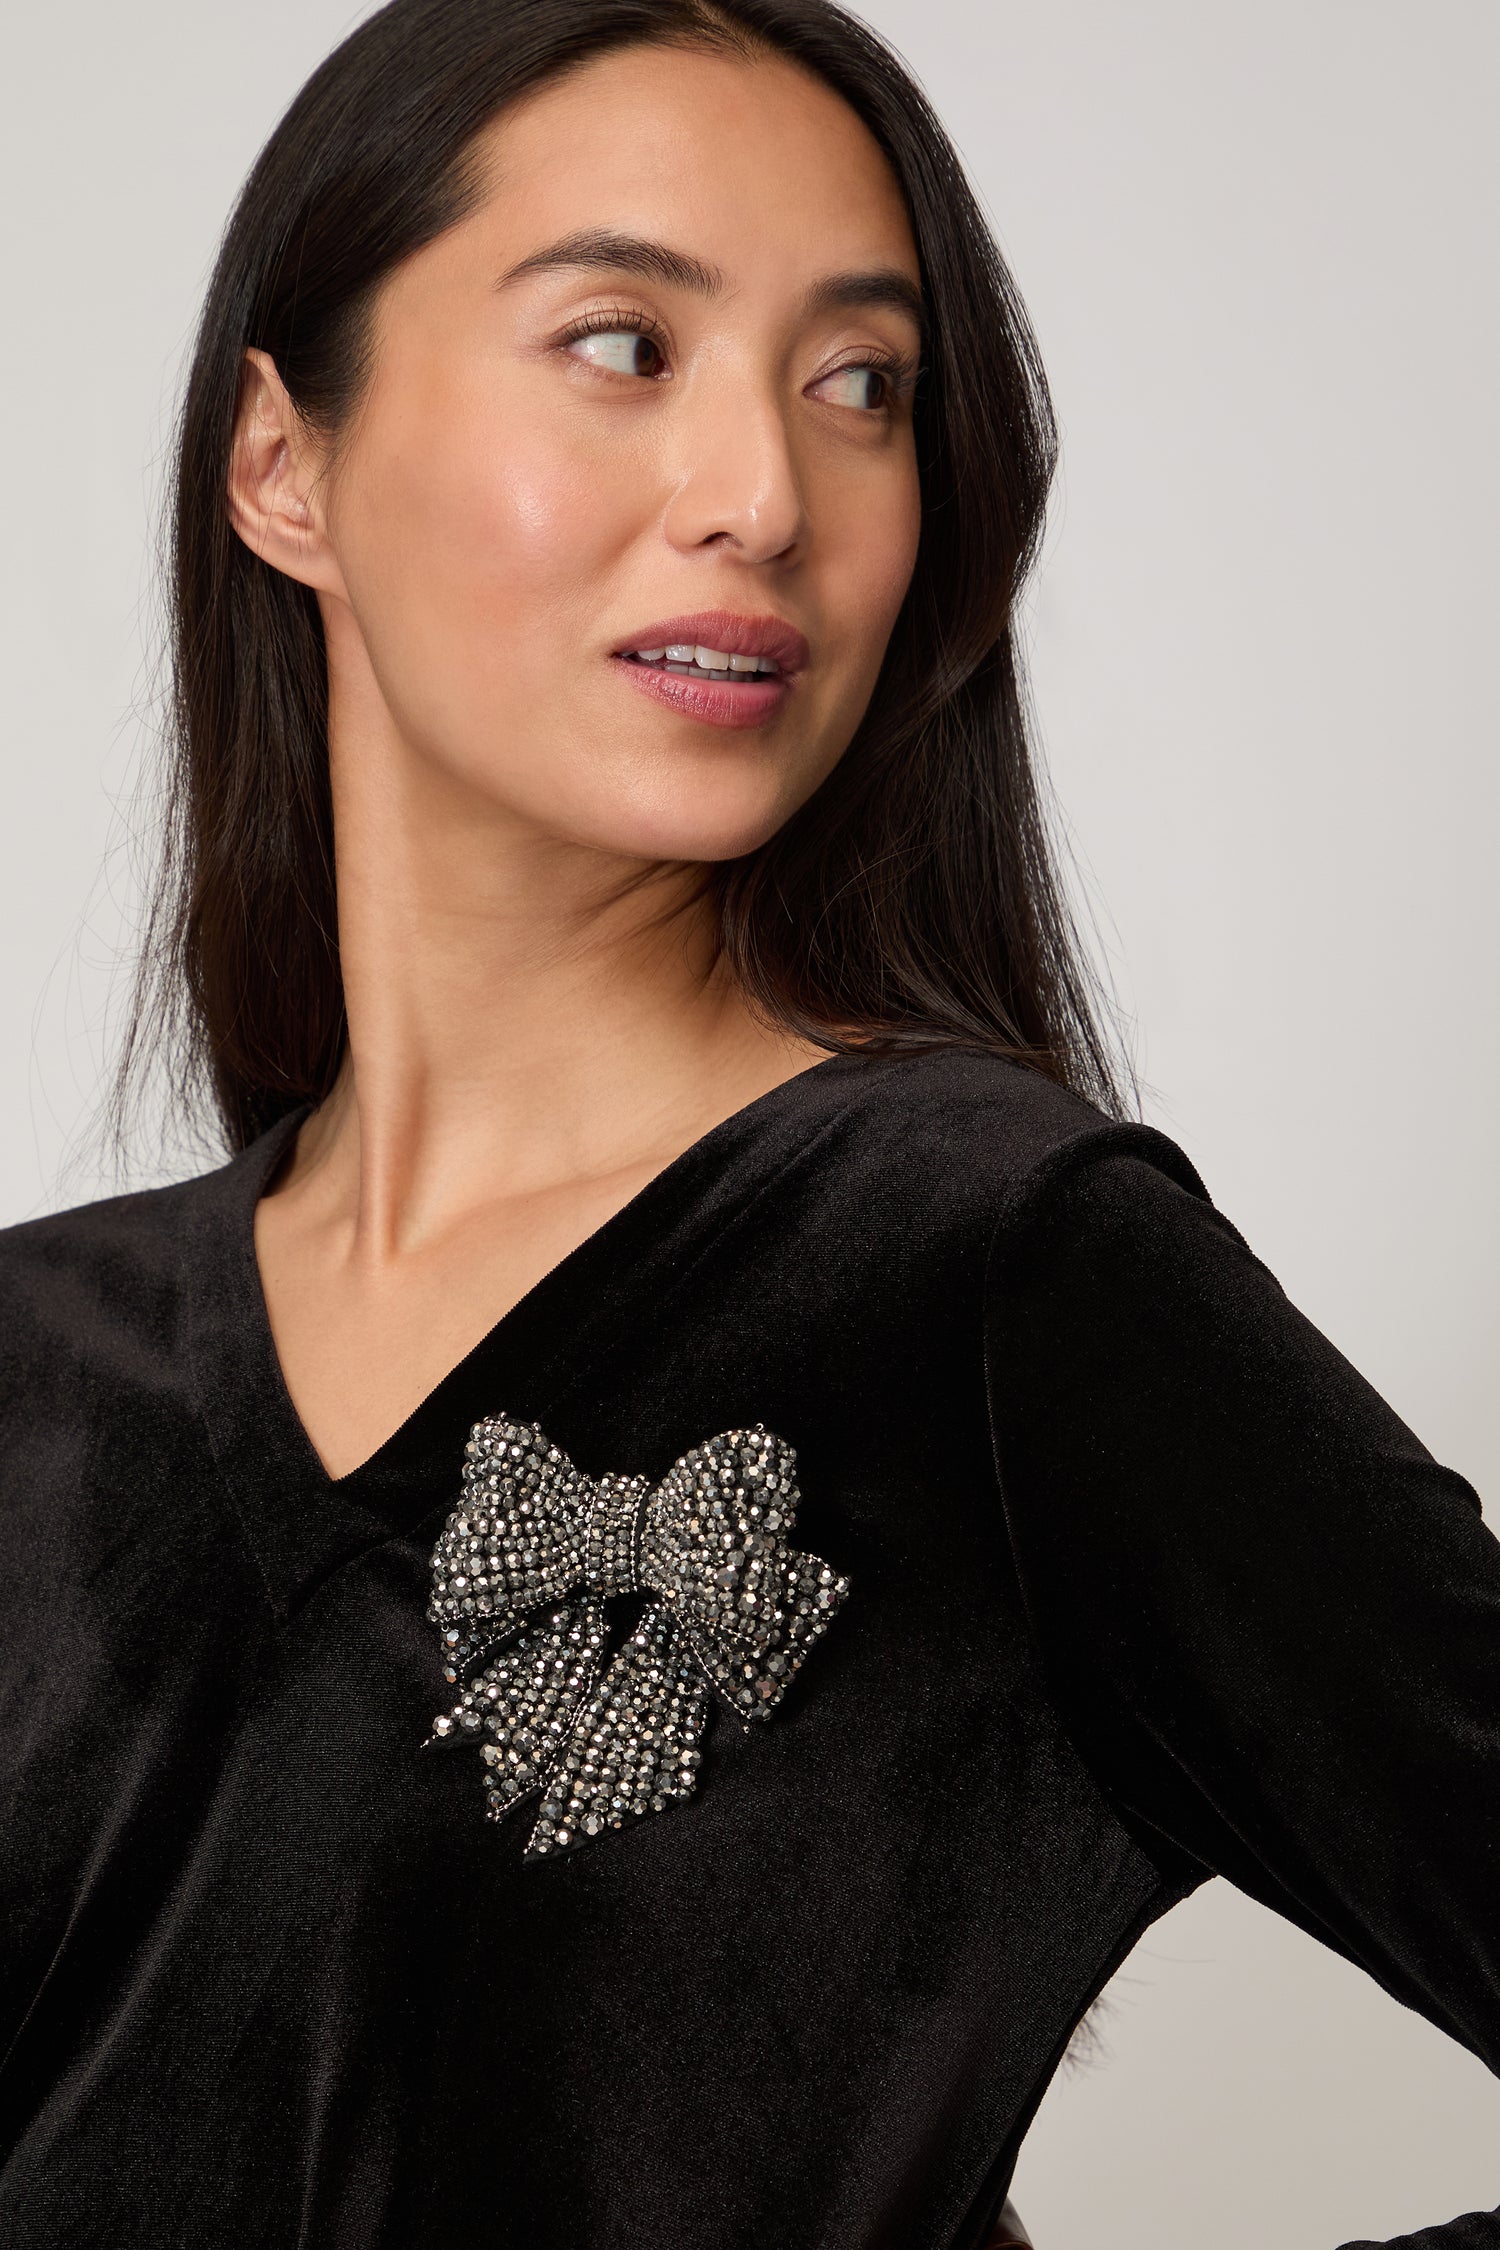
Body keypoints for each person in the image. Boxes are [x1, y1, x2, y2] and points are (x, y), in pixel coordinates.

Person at [0, 2, 1493, 2245]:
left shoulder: (987, 1268)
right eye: (621, 344)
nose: (767, 495)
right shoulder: (35, 1370)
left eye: (863, 385)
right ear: (283, 465)